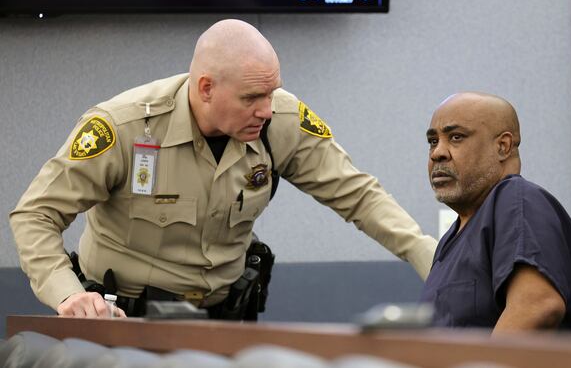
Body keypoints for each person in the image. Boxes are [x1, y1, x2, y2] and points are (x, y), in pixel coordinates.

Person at [9, 19, 437, 318]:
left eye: (273, 92)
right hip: (126, 323)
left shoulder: (280, 121)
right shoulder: (123, 127)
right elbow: (35, 215)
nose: (267, 110)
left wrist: (433, 258)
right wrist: (69, 295)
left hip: (223, 324)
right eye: (252, 97)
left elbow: (358, 196)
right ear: (206, 88)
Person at [420, 92, 571, 332]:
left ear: (503, 146)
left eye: (456, 137)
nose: (437, 153)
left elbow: (538, 306)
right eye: (433, 141)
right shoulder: (450, 240)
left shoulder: (516, 199)